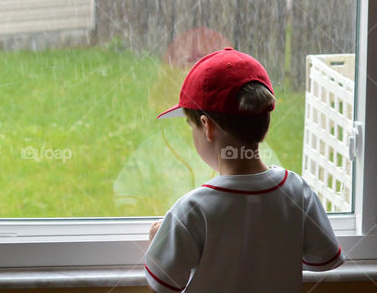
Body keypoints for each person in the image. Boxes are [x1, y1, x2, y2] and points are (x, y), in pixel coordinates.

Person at [144, 47, 344, 292]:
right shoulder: (296, 192)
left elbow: (163, 282)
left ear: (207, 127)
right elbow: (324, 257)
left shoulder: (192, 210)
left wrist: (159, 240)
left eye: (190, 125)